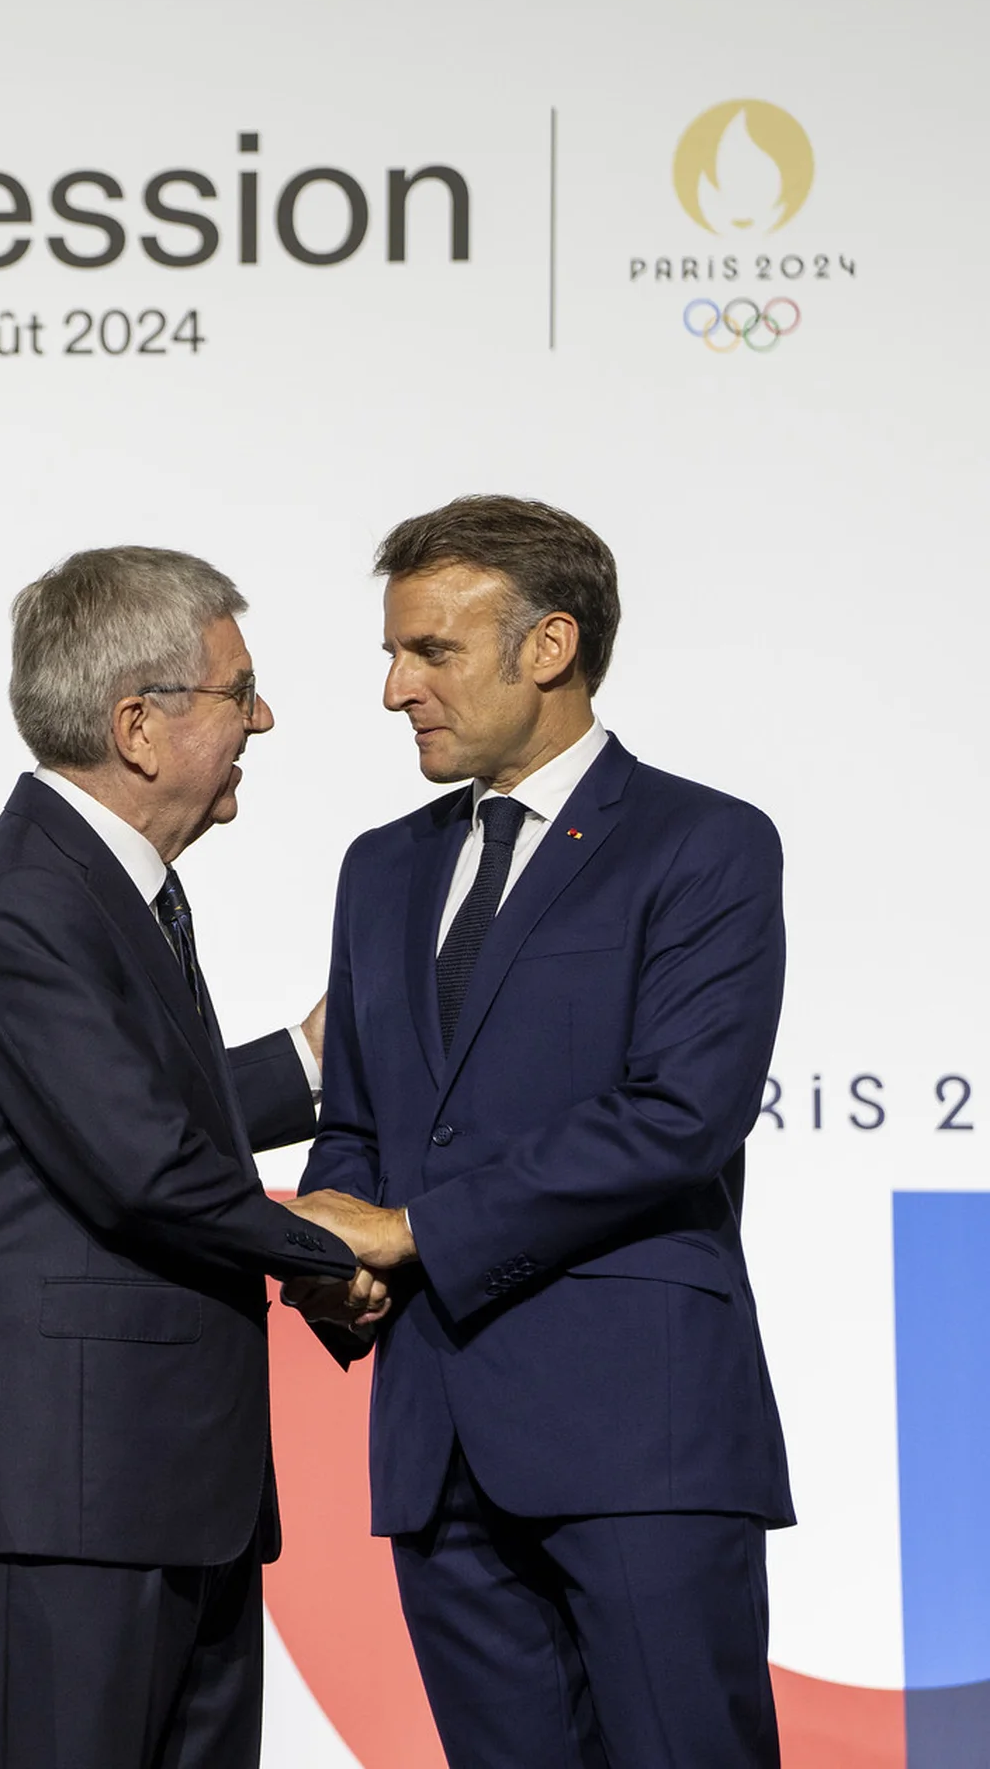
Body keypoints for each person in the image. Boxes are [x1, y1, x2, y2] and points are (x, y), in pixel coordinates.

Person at [290, 497, 792, 1769]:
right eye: (392, 654)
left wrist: (412, 1230)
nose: (396, 690)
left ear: (550, 647)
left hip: (640, 1442)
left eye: (432, 652)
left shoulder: (704, 843)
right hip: (436, 1446)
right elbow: (358, 1119)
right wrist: (335, 1259)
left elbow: (679, 1116)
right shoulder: (378, 867)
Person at [0, 546, 380, 1769]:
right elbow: (142, 1166)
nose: (262, 720)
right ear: (139, 727)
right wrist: (336, 1247)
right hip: (68, 1494)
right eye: (239, 691)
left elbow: (127, 1109)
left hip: (171, 1488)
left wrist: (311, 1060)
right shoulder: (27, 896)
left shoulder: (110, 889)